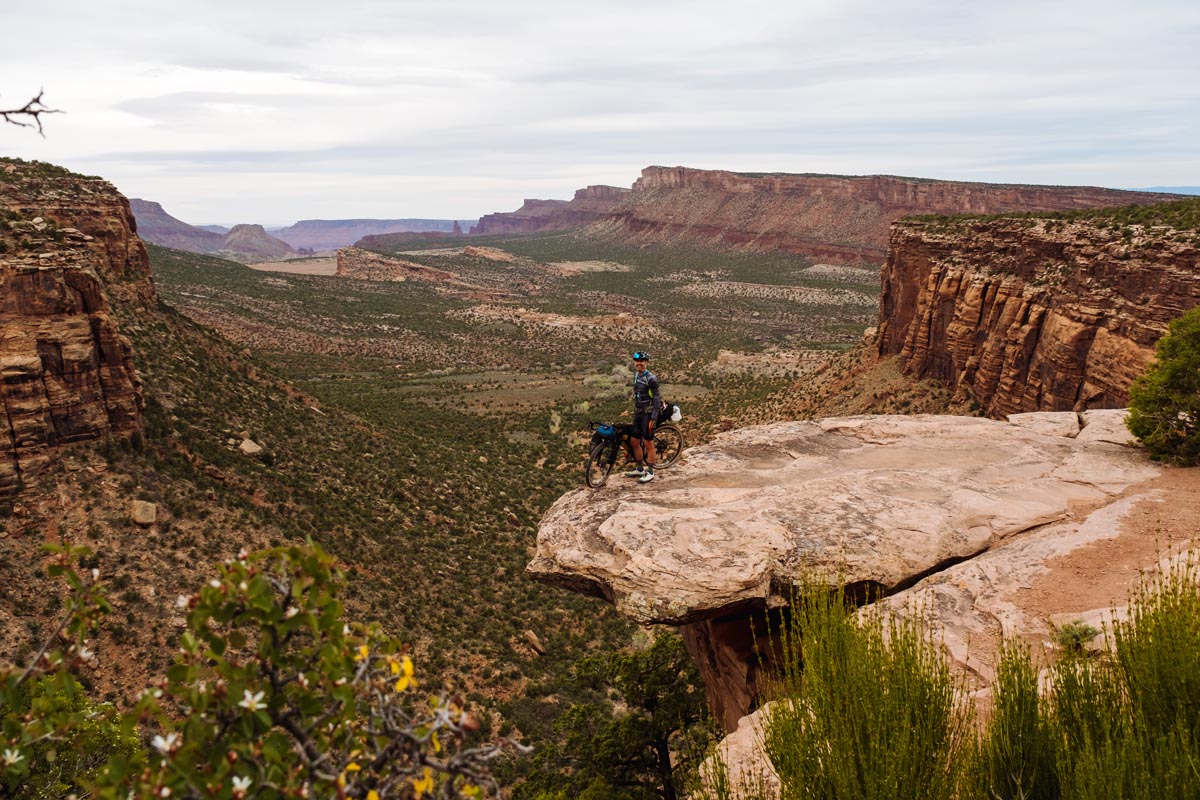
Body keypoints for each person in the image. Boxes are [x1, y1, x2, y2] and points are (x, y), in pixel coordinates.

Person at [625, 351, 660, 483]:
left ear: (646, 363)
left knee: (648, 442)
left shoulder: (650, 378)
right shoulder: (636, 376)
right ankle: (639, 468)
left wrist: (654, 416)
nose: (639, 363)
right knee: (634, 441)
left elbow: (656, 397)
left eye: (642, 361)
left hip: (648, 413)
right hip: (639, 412)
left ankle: (650, 471)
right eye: (637, 361)